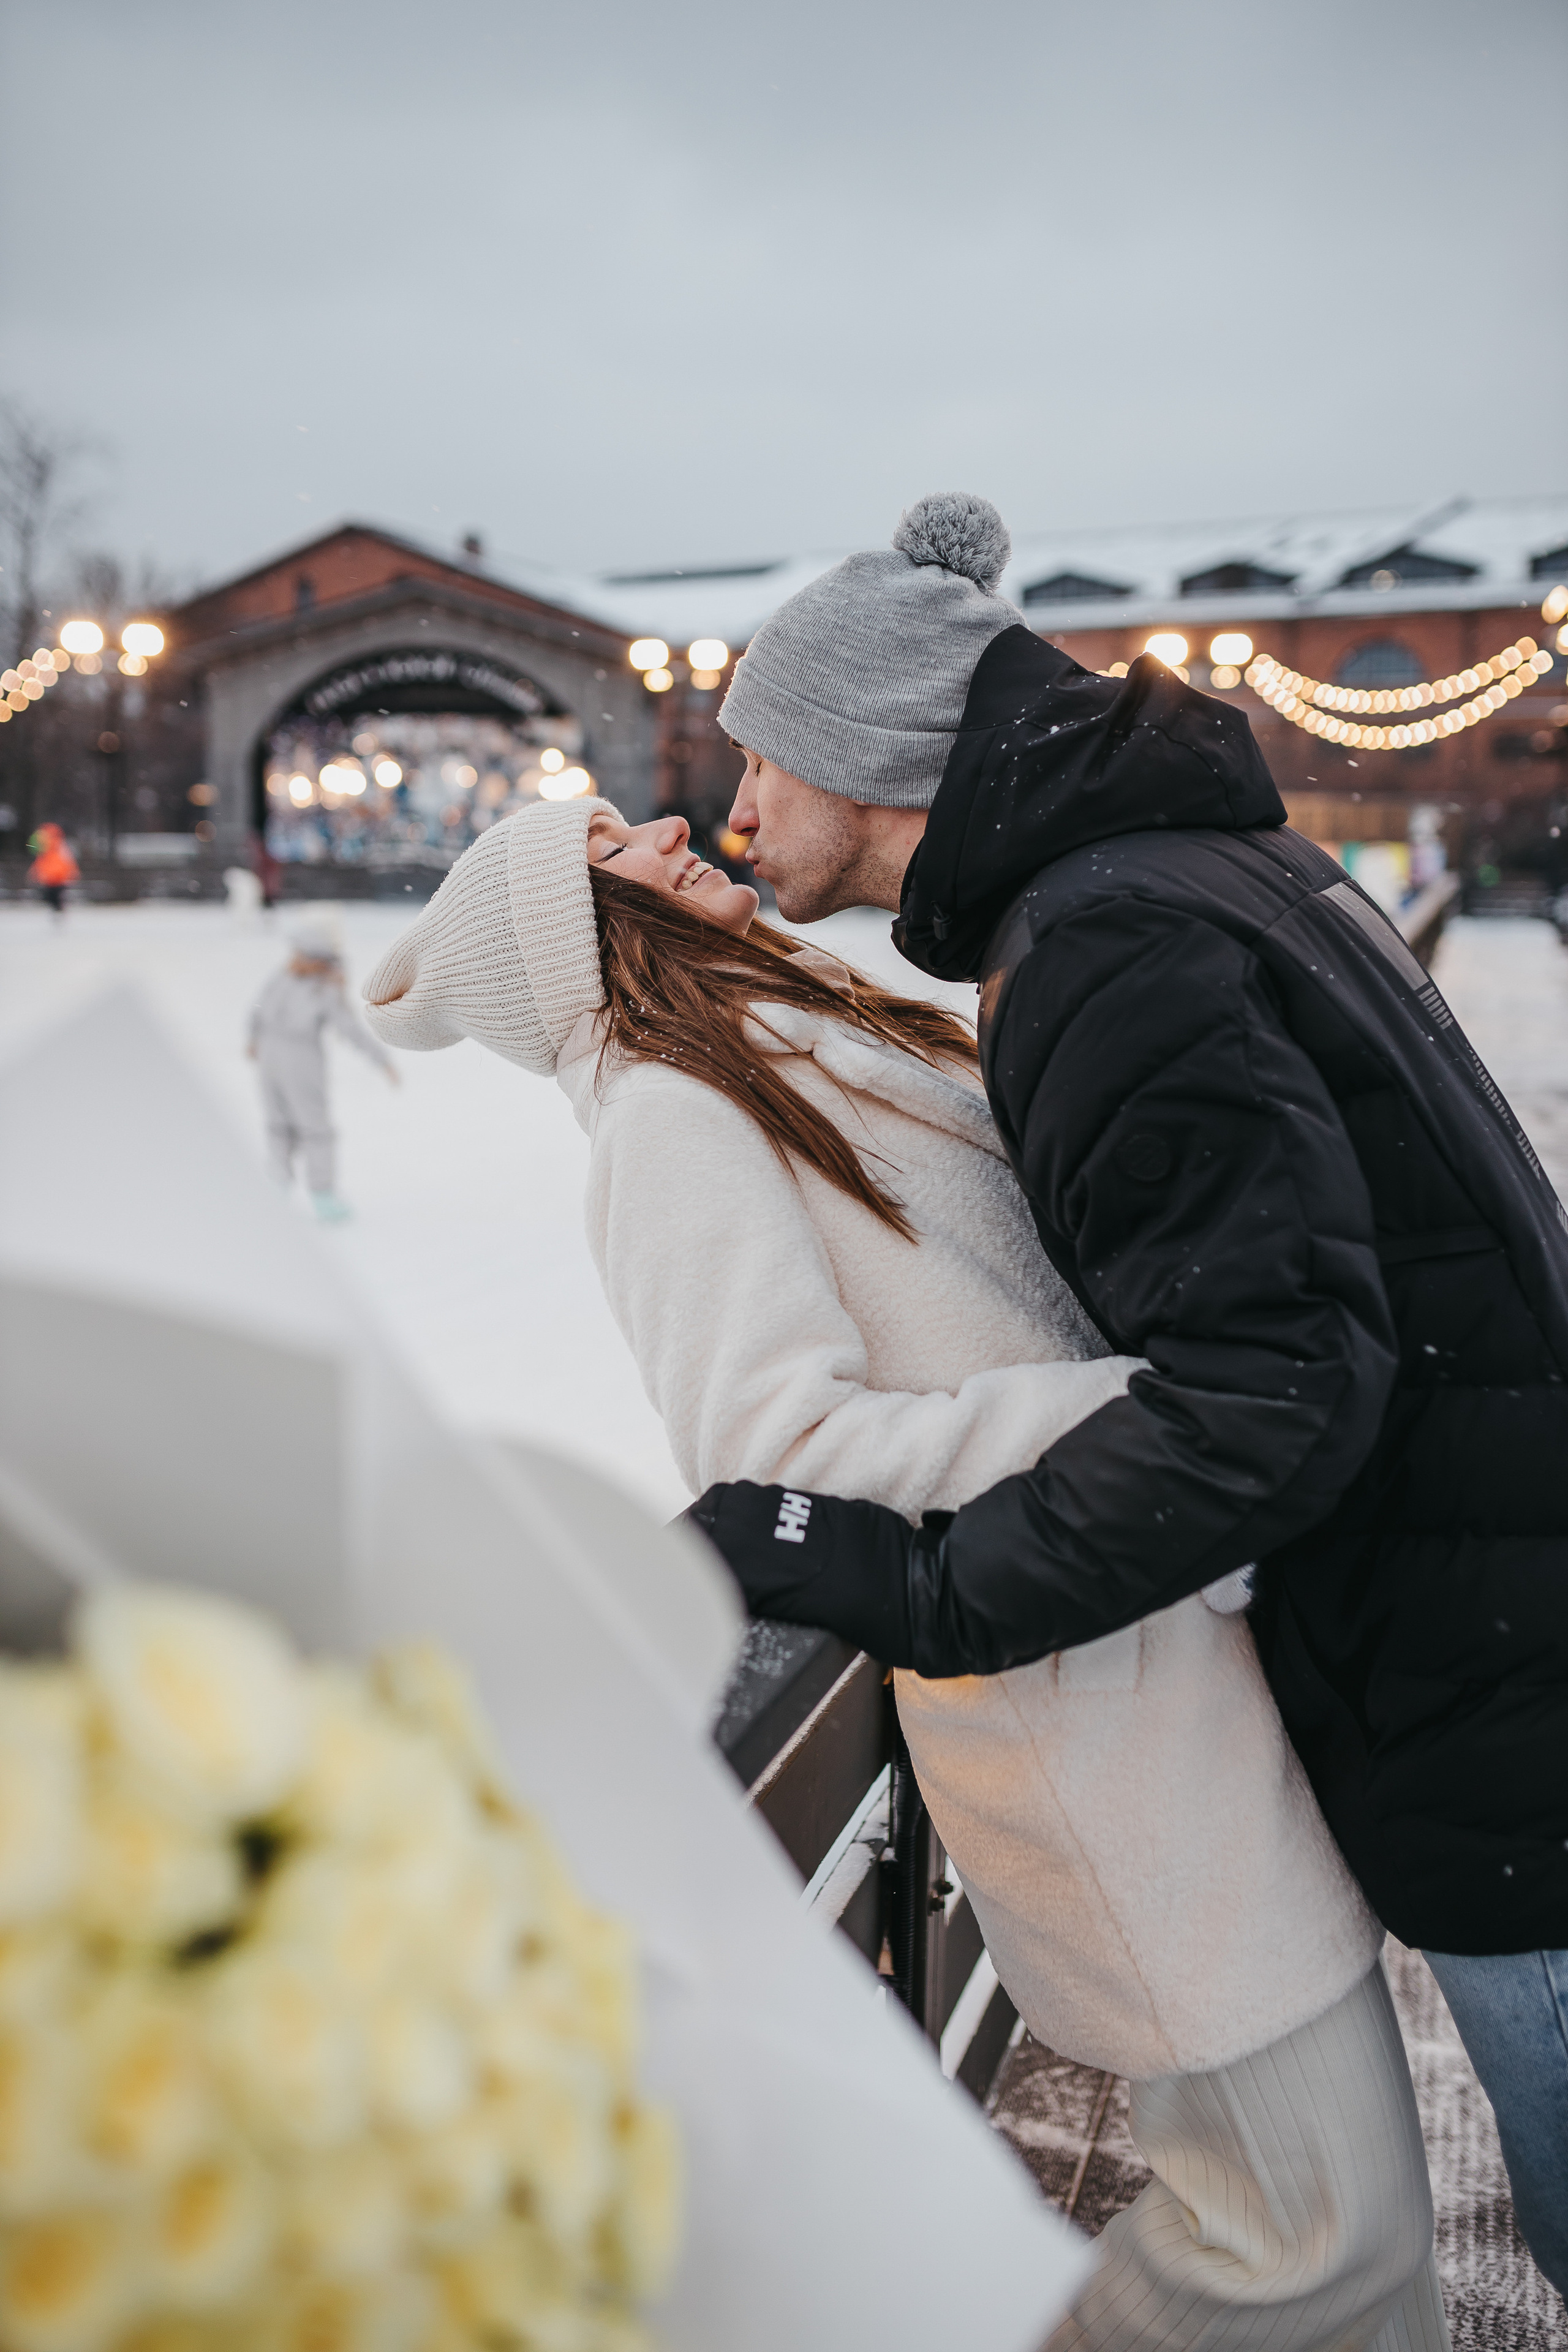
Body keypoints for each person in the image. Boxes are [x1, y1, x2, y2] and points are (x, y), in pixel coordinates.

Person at [361, 794, 1447, 2352]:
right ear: (581, 933)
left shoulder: (801, 1022)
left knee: (1330, 2226)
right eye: (614, 842)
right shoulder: (668, 1113)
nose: (670, 823)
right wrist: (1136, 1410)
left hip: (1160, 1647)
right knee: (1307, 2234)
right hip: (1090, 1718)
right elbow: (775, 1442)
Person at [680, 492, 1568, 2302]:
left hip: (1501, 1711)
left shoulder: (1098, 940)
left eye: (763, 760)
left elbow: (1275, 1386)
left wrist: (927, 1586)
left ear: (873, 752)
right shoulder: (1186, 872)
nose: (736, 811)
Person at [246, 914, 398, 1221]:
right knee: (277, 1122)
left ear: (317, 959)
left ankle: (323, 1194)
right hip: (271, 1055)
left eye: (301, 955)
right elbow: (259, 1006)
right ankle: (278, 1182)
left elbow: (349, 1027)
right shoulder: (284, 976)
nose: (294, 960)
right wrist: (253, 1038)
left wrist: (380, 1059)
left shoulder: (325, 990)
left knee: (314, 1127)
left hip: (303, 1059)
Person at [28, 821, 78, 916]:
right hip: (58, 877)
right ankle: (58, 912)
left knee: (52, 899)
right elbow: (69, 860)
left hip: (51, 877)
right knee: (55, 899)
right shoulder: (60, 845)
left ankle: (57, 912)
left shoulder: (45, 847)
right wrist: (73, 873)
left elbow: (38, 860)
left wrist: (34, 874)